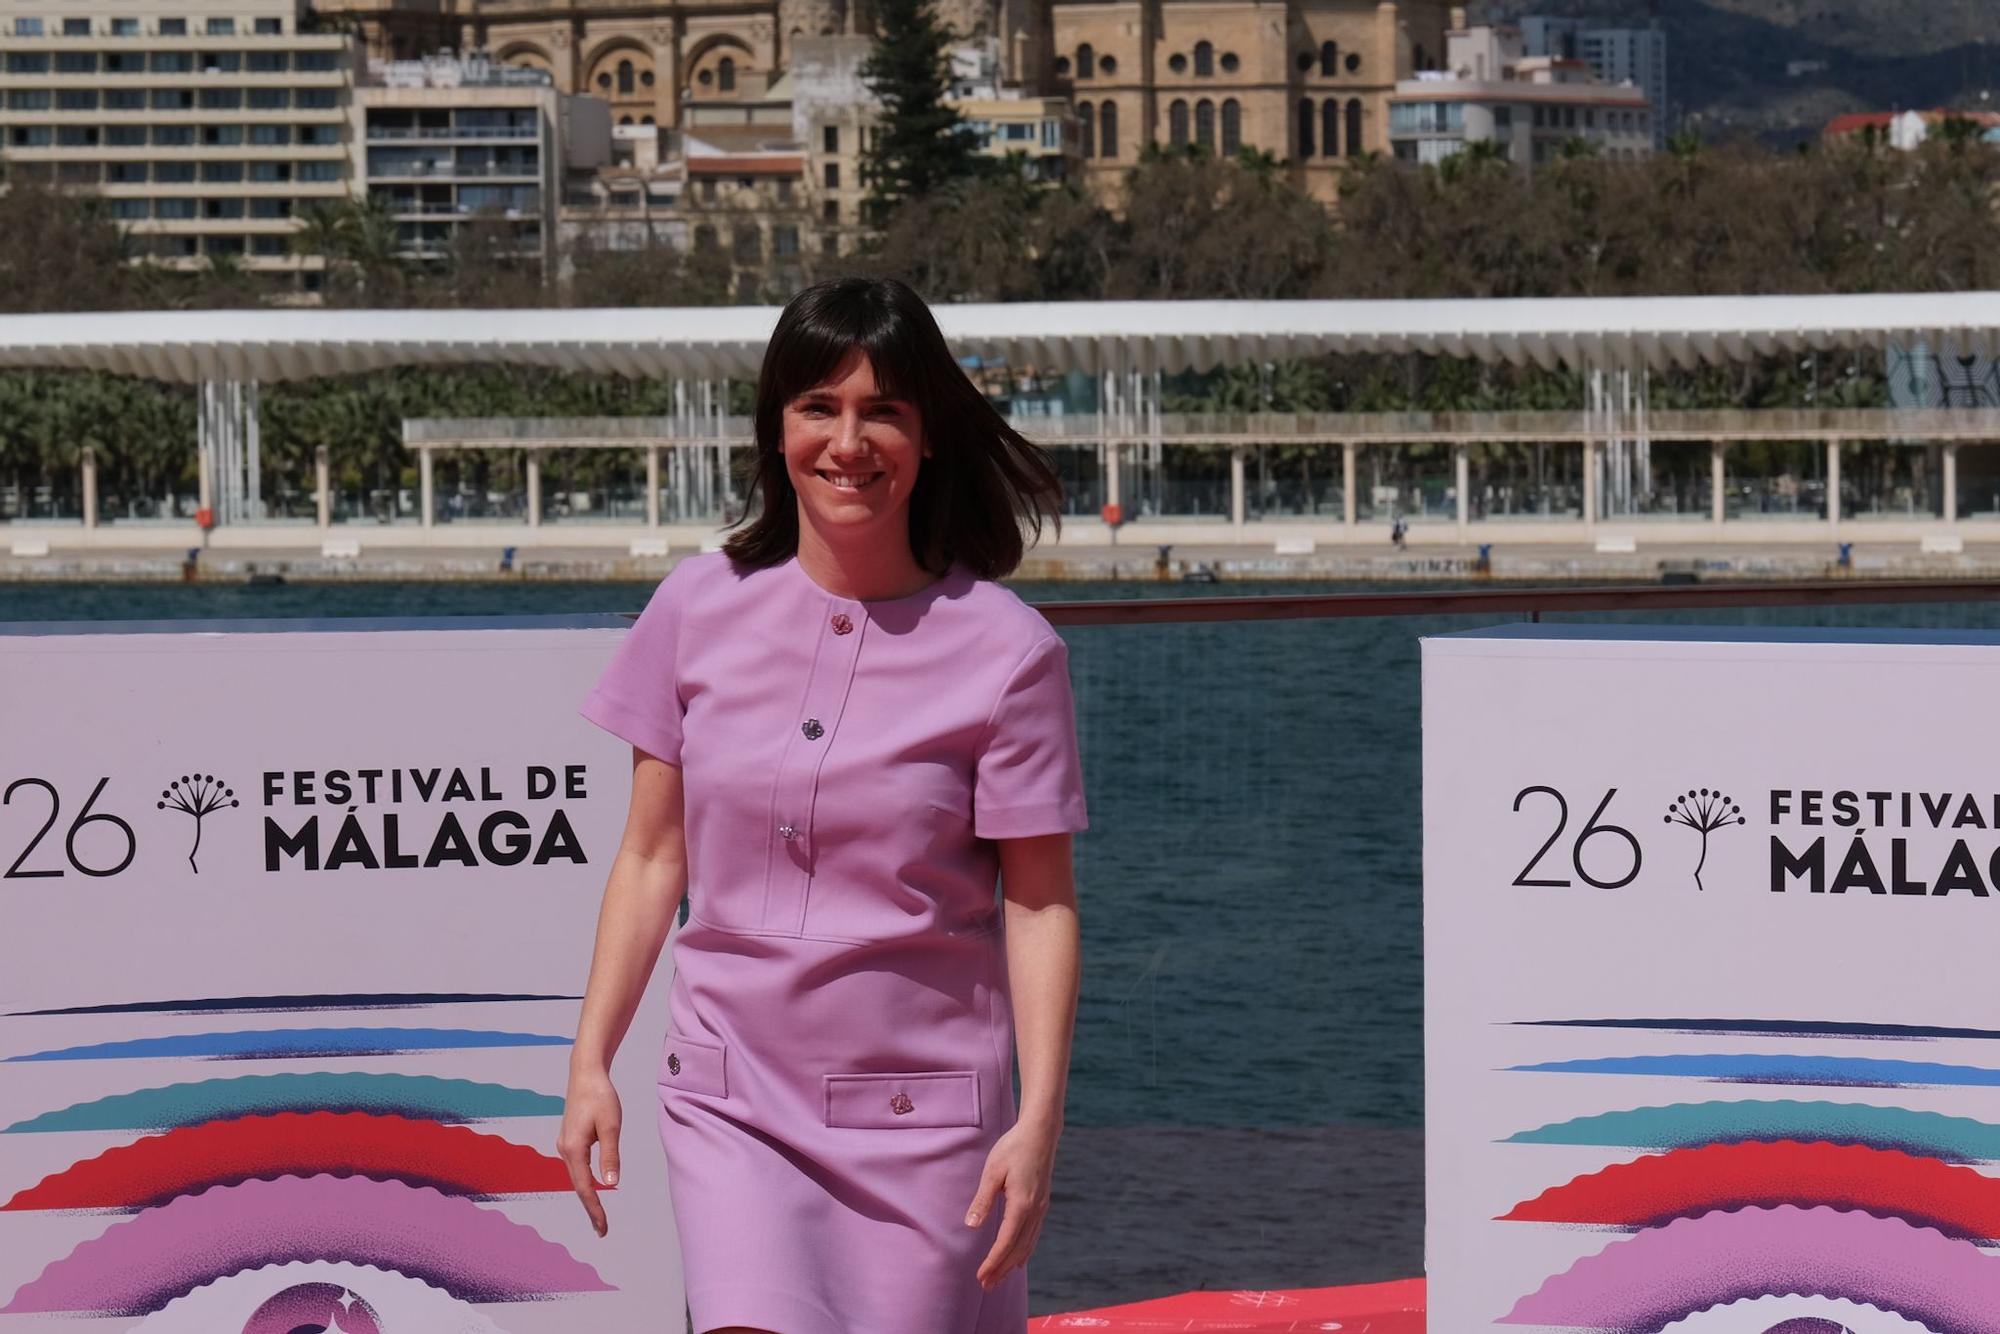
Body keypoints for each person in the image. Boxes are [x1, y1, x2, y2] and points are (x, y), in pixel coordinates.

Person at [559, 276, 1089, 1334]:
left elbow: (1037, 903)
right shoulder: (693, 605)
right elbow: (651, 858)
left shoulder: (1008, 649)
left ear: (927, 433)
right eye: (818, 408)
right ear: (776, 427)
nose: (848, 441)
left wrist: (1037, 1122)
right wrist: (590, 1060)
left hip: (923, 1115)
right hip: (731, 1094)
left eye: (882, 410)